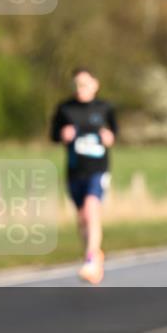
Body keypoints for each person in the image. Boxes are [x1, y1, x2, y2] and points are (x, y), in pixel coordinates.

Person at [50, 68, 118, 285]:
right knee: (82, 218)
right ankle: (94, 255)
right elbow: (53, 135)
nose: (81, 89)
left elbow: (115, 132)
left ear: (95, 85)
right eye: (78, 85)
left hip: (98, 169)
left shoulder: (105, 108)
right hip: (74, 170)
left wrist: (110, 137)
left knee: (91, 209)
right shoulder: (65, 109)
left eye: (85, 84)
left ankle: (90, 259)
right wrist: (63, 135)